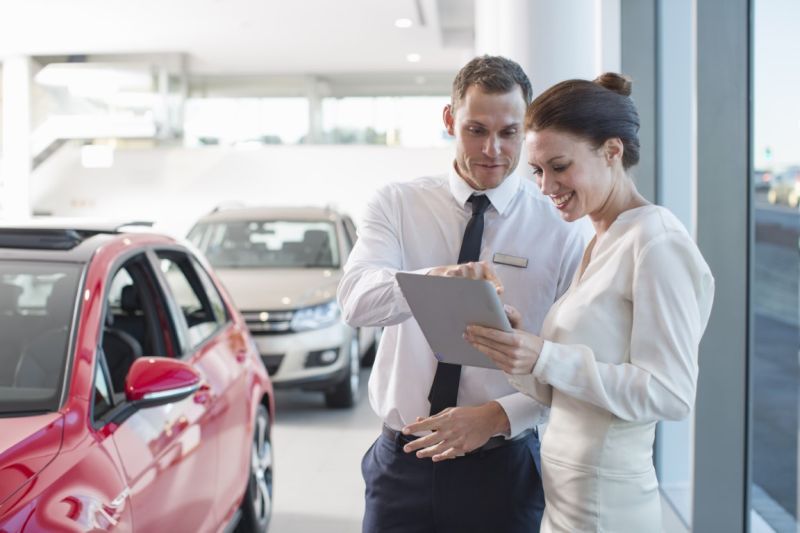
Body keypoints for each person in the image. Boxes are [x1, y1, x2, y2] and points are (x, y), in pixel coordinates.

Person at [337, 55, 586, 533]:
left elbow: (569, 365)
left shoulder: (560, 229)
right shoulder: (398, 203)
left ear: (527, 128)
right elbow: (356, 301)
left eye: (509, 133)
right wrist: (439, 281)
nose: (492, 149)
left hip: (503, 467)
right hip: (402, 461)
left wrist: (495, 417)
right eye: (476, 129)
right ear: (450, 120)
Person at [462, 73, 715, 532]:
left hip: (607, 506)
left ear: (612, 152)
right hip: (566, 496)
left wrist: (546, 355)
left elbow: (671, 394)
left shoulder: (656, 242)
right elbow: (571, 390)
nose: (545, 186)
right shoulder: (601, 238)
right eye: (537, 171)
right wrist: (518, 351)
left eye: (559, 166)